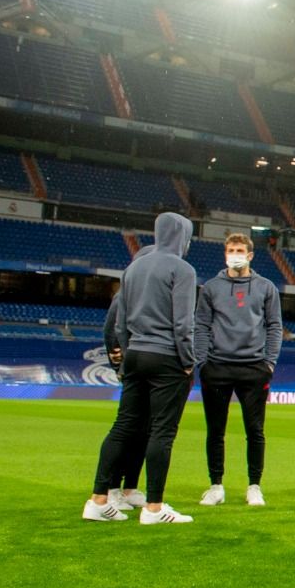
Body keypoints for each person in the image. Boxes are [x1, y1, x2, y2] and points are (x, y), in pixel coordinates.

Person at [83, 212, 197, 524]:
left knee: (123, 426)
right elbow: (183, 323)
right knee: (162, 431)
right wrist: (188, 361)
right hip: (166, 357)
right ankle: (154, 508)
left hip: (134, 355)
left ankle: (98, 499)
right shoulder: (182, 269)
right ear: (183, 236)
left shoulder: (134, 268)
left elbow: (119, 322)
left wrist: (128, 354)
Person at [194, 233, 283, 507]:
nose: (235, 254)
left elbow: (274, 326)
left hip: (254, 369)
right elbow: (200, 326)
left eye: (239, 250)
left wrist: (269, 363)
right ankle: (216, 485)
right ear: (225, 254)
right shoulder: (211, 287)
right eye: (230, 249)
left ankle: (254, 486)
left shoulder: (266, 287)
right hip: (217, 367)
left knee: (255, 431)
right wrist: (202, 362)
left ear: (250, 255)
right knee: (215, 431)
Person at [102, 284, 147, 511]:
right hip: (133, 370)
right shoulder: (125, 295)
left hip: (148, 370)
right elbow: (111, 332)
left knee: (145, 431)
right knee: (127, 428)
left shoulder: (149, 293)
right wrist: (119, 366)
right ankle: (110, 489)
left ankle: (130, 487)